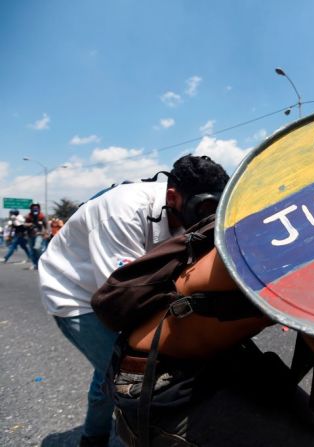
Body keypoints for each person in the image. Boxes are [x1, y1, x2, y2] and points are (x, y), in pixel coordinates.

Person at [110, 245, 314, 446]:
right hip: (159, 381)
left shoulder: (295, 219)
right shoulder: (306, 242)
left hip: (212, 360)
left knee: (305, 428)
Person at [38, 154, 229, 447]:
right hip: (76, 294)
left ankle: (93, 438)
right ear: (172, 196)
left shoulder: (186, 210)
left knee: (110, 370)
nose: (208, 215)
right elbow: (122, 299)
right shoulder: (122, 211)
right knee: (135, 376)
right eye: (203, 208)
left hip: (127, 288)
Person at [25, 203, 49, 270]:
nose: (35, 209)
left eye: (36, 208)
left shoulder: (42, 216)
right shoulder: (28, 216)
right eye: (33, 208)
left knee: (37, 248)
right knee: (32, 251)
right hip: (30, 235)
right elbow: (24, 224)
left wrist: (46, 233)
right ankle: (35, 264)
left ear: (39, 208)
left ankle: (42, 261)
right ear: (31, 209)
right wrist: (28, 224)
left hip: (39, 234)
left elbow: (46, 225)